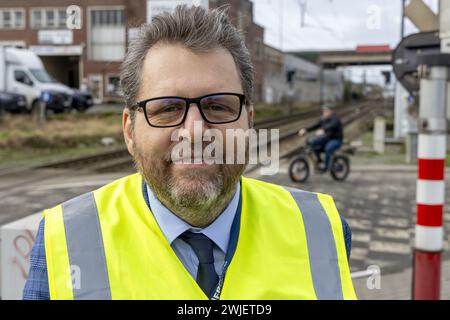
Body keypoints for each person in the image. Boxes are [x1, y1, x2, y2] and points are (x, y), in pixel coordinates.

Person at [23, 5, 356, 300]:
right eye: (167, 108)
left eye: (218, 105)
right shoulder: (66, 241)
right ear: (129, 130)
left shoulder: (321, 229)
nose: (195, 131)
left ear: (249, 121)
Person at [298, 105, 344, 172]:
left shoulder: (336, 118)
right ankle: (319, 160)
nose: (324, 112)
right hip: (326, 139)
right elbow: (315, 126)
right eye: (324, 111)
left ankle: (326, 167)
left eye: (326, 111)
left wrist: (323, 130)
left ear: (331, 111)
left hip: (336, 140)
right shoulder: (323, 119)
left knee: (328, 149)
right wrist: (305, 129)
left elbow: (332, 125)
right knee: (312, 143)